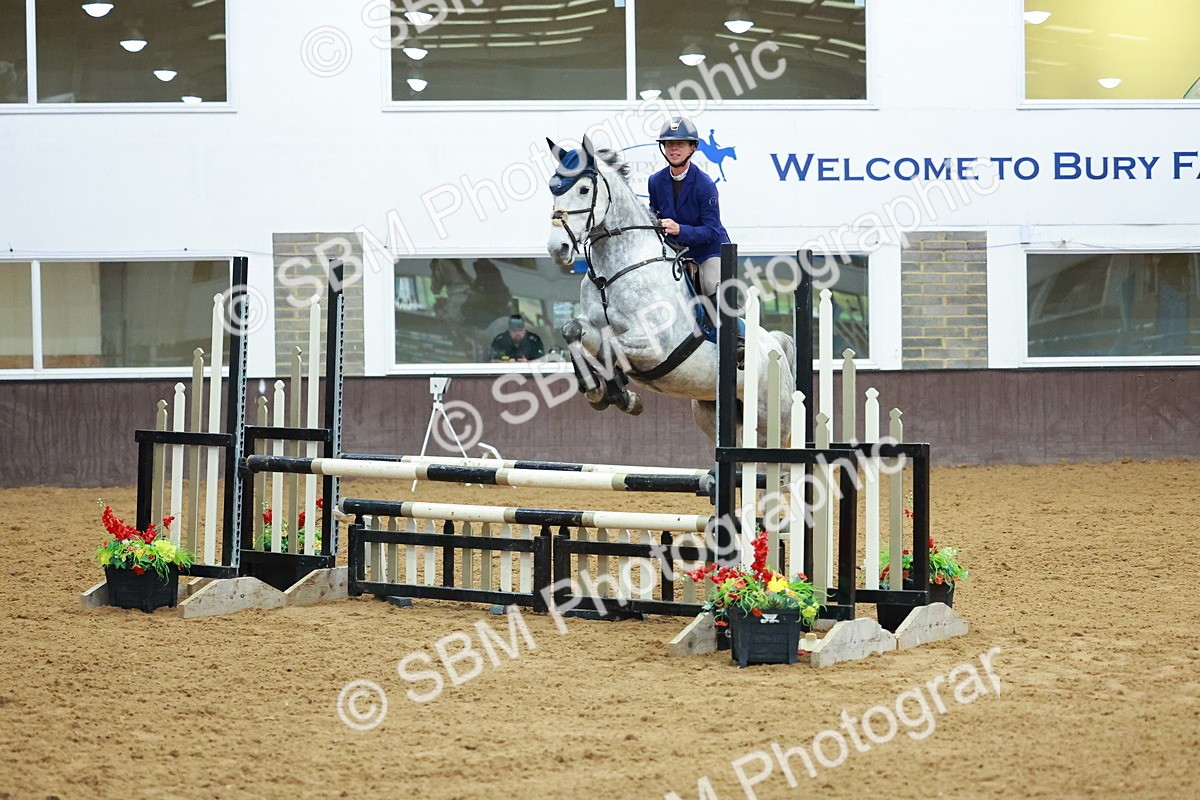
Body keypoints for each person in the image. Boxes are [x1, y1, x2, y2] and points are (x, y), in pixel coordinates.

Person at [647, 116, 742, 365]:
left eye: (680, 144)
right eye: (669, 144)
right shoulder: (655, 182)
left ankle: (738, 339)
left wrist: (679, 229)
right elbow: (654, 214)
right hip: (677, 252)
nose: (674, 149)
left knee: (713, 284)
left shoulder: (705, 185)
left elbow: (711, 230)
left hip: (708, 250)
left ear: (693, 148)